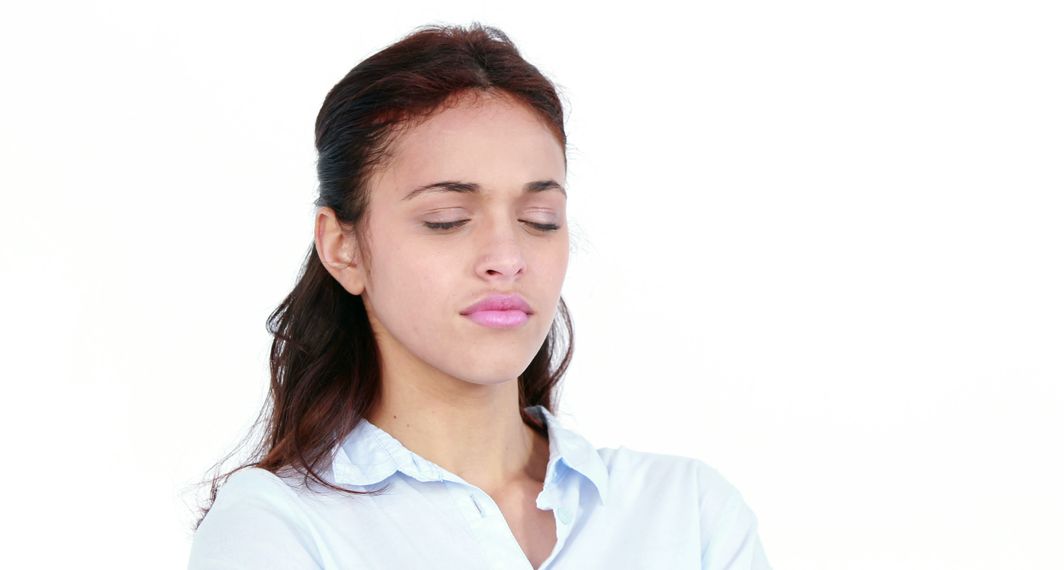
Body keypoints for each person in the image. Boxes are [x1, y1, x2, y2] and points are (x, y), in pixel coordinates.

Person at [187, 22, 771, 570]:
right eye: (447, 219)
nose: (507, 258)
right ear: (343, 248)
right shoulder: (278, 527)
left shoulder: (688, 515)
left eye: (539, 218)